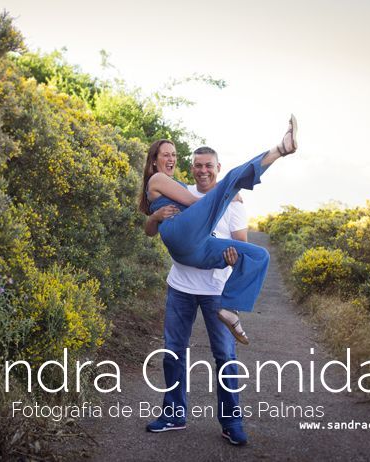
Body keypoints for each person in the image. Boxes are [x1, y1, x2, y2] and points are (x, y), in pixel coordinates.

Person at [138, 115, 298, 343]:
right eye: (166, 154)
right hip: (179, 235)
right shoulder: (157, 179)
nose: (171, 158)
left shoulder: (176, 184)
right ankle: (281, 149)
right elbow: (195, 203)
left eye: (174, 154)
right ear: (154, 161)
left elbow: (222, 222)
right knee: (232, 179)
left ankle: (230, 308)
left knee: (258, 255)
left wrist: (226, 197)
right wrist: (228, 194)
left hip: (195, 249)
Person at [143, 146, 252, 445]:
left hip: (216, 291)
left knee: (226, 356)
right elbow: (151, 226)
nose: (203, 171)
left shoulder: (233, 203)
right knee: (174, 352)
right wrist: (155, 218)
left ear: (218, 167)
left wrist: (232, 257)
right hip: (180, 286)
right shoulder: (180, 191)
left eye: (209, 166)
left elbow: (241, 245)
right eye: (197, 166)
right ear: (191, 168)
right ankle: (174, 413)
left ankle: (232, 423)